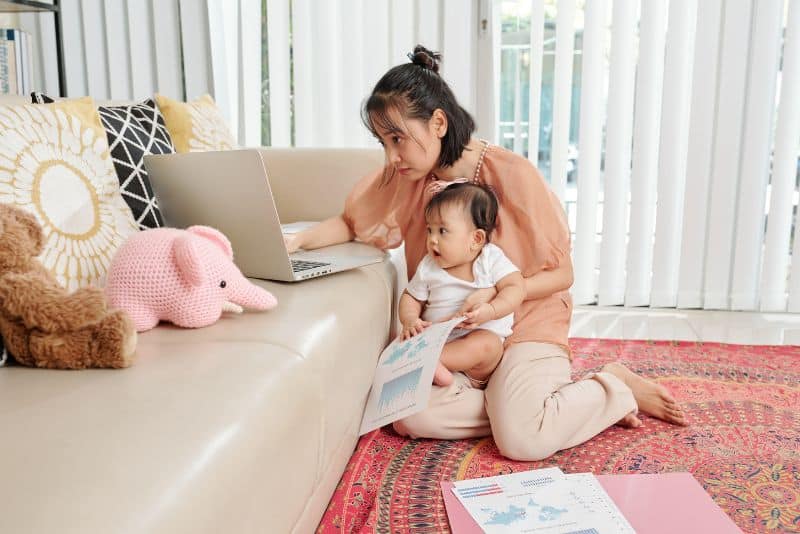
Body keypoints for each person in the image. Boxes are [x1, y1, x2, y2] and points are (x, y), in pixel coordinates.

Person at [284, 45, 686, 461]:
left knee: (523, 443)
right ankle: (526, 406)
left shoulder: (511, 174)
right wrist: (295, 241)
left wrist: (497, 301)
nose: (391, 156)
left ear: (438, 122)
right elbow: (351, 223)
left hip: (525, 326)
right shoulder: (407, 177)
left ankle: (611, 386)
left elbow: (562, 274)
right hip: (460, 338)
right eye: (383, 142)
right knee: (409, 418)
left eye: (398, 138)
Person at [400, 181, 525, 389]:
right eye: (429, 230)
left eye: (442, 231)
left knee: (485, 344)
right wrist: (410, 319)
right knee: (404, 342)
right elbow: (410, 296)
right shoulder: (429, 266)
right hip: (439, 342)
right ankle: (433, 367)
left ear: (476, 239)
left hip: (478, 360)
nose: (432, 240)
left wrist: (492, 310)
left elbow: (516, 287)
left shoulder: (490, 259)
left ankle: (428, 364)